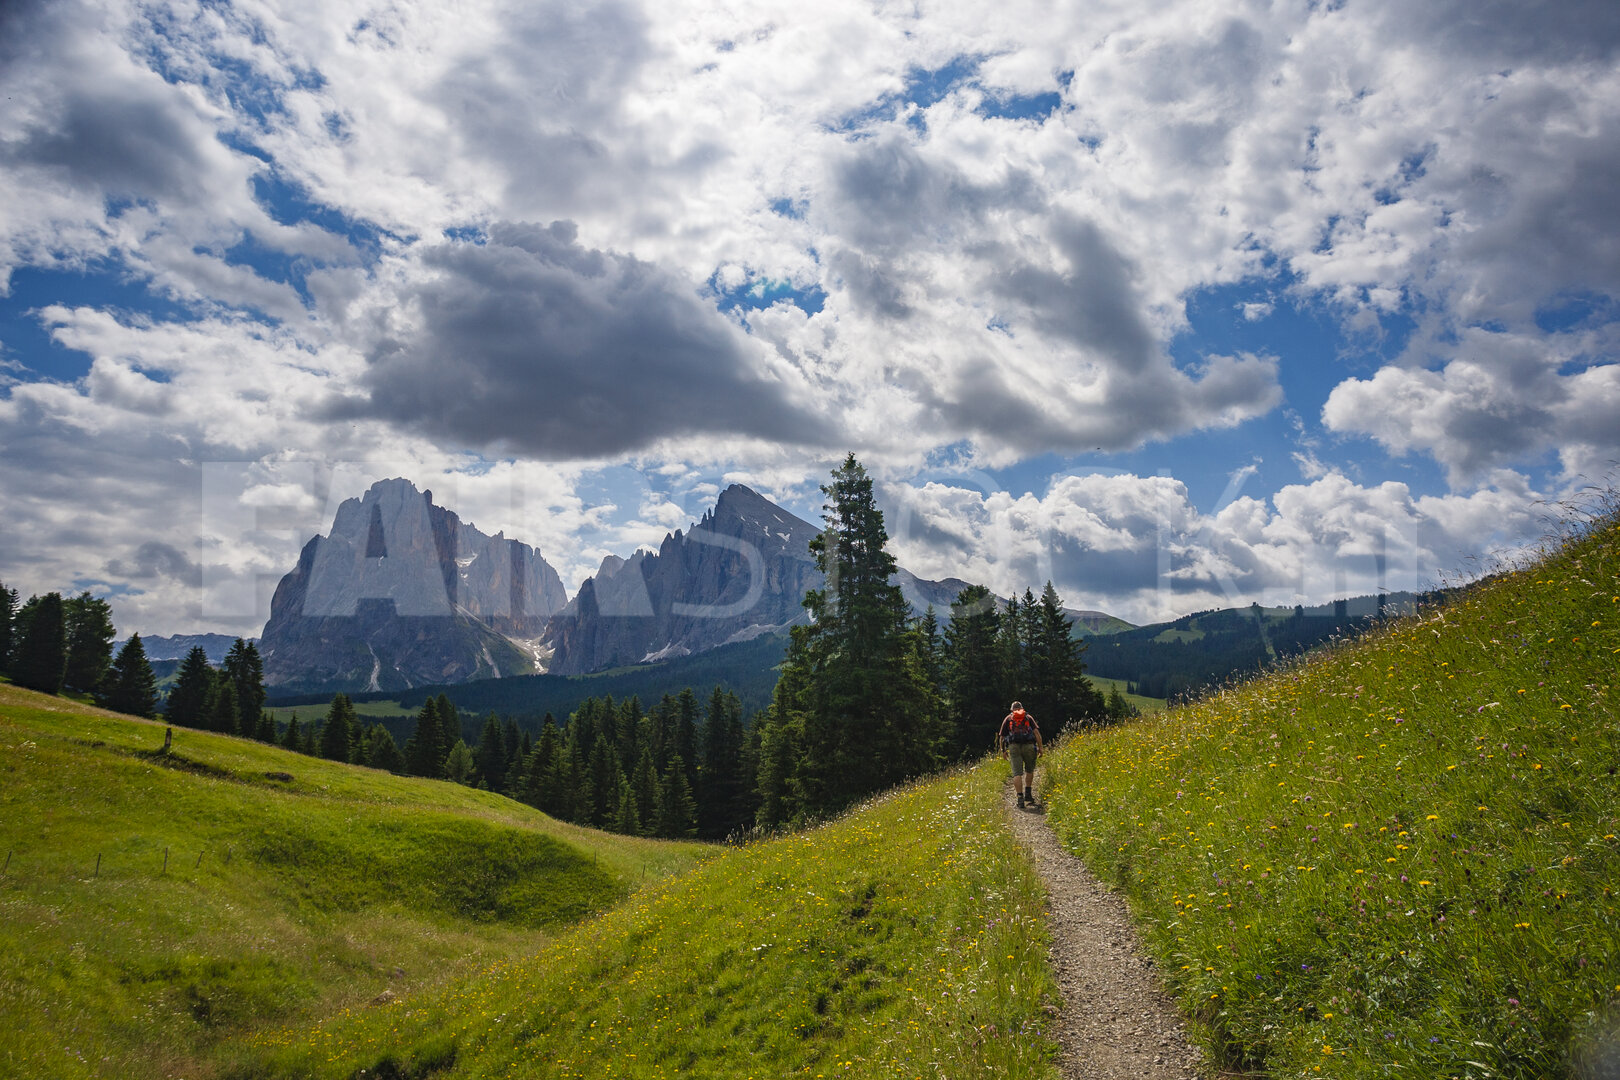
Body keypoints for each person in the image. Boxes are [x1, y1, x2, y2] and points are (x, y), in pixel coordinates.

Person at [997, 700, 1042, 809]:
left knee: (1017, 773)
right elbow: (1036, 733)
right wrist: (1040, 748)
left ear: (1011, 709)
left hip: (1014, 747)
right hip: (1029, 746)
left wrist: (1003, 750)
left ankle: (1020, 799)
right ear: (1022, 707)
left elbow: (1002, 737)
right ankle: (1028, 794)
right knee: (1029, 770)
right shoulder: (1028, 717)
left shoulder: (1008, 718)